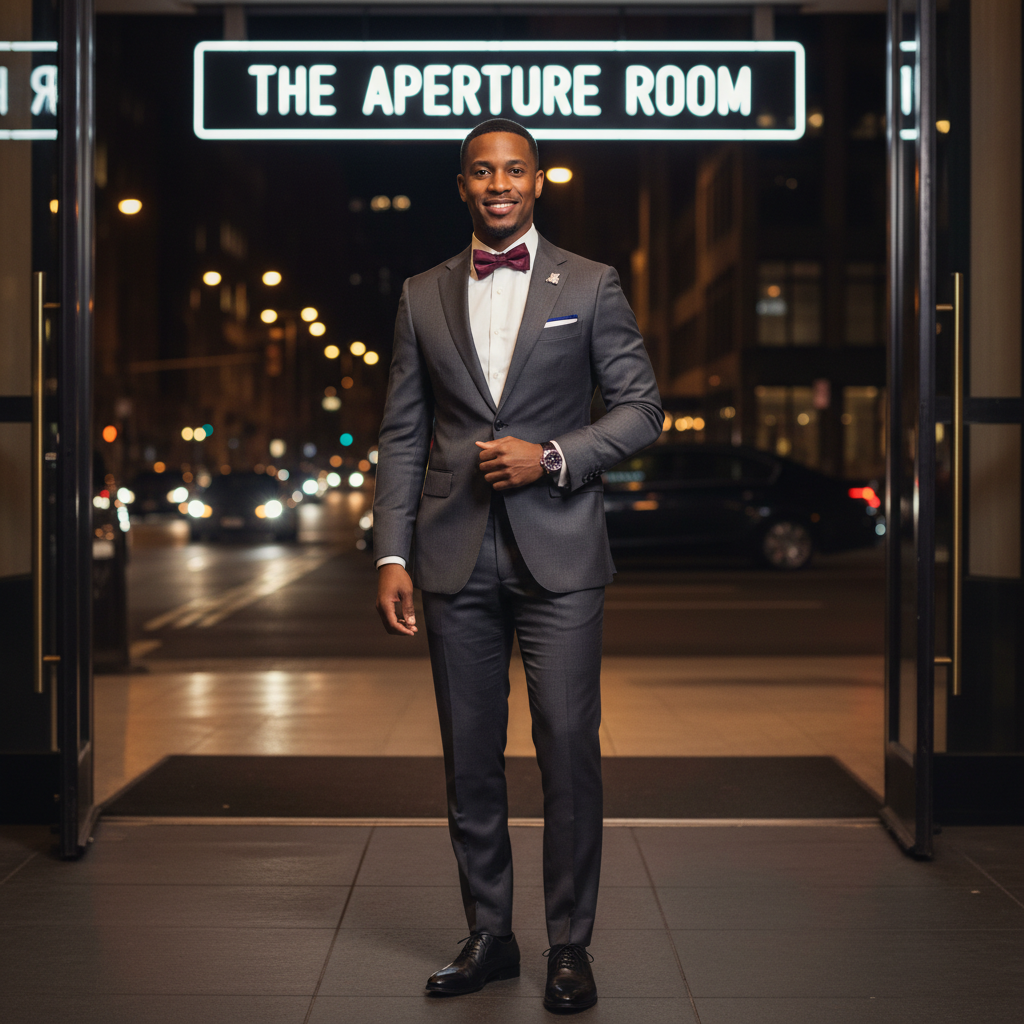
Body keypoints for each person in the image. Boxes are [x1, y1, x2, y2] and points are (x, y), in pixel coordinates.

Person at [372, 117, 663, 1013]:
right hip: (452, 556)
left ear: (538, 182)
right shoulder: (422, 294)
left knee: (568, 751)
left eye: (515, 170)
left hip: (562, 556)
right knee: (470, 759)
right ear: (461, 185)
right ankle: (491, 936)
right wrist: (390, 550)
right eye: (482, 171)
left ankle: (568, 945)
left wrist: (555, 455)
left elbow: (642, 408)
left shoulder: (592, 283)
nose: (499, 184)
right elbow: (402, 433)